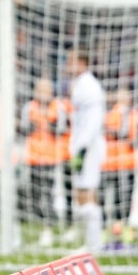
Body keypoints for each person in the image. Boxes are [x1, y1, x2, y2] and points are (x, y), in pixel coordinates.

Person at [18, 77, 71, 247]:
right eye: (39, 89)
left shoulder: (57, 106)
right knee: (34, 194)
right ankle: (43, 225)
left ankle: (48, 229)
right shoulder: (29, 107)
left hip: (50, 157)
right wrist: (34, 125)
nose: (42, 92)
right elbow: (24, 129)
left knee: (47, 193)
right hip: (33, 156)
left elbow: (62, 130)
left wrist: (48, 123)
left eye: (45, 89)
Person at [65, 48, 107, 252]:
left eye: (70, 60)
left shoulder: (89, 86)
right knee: (85, 191)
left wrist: (81, 147)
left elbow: (94, 120)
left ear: (81, 63)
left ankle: (93, 244)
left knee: (85, 191)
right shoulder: (81, 84)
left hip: (88, 146)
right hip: (83, 144)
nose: (66, 64)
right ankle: (93, 241)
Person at [101, 88, 138, 248]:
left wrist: (134, 139)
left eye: (125, 95)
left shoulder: (135, 115)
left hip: (129, 161)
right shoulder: (110, 115)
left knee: (125, 197)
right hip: (111, 162)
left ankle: (123, 228)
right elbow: (108, 131)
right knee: (108, 197)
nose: (122, 98)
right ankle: (105, 230)